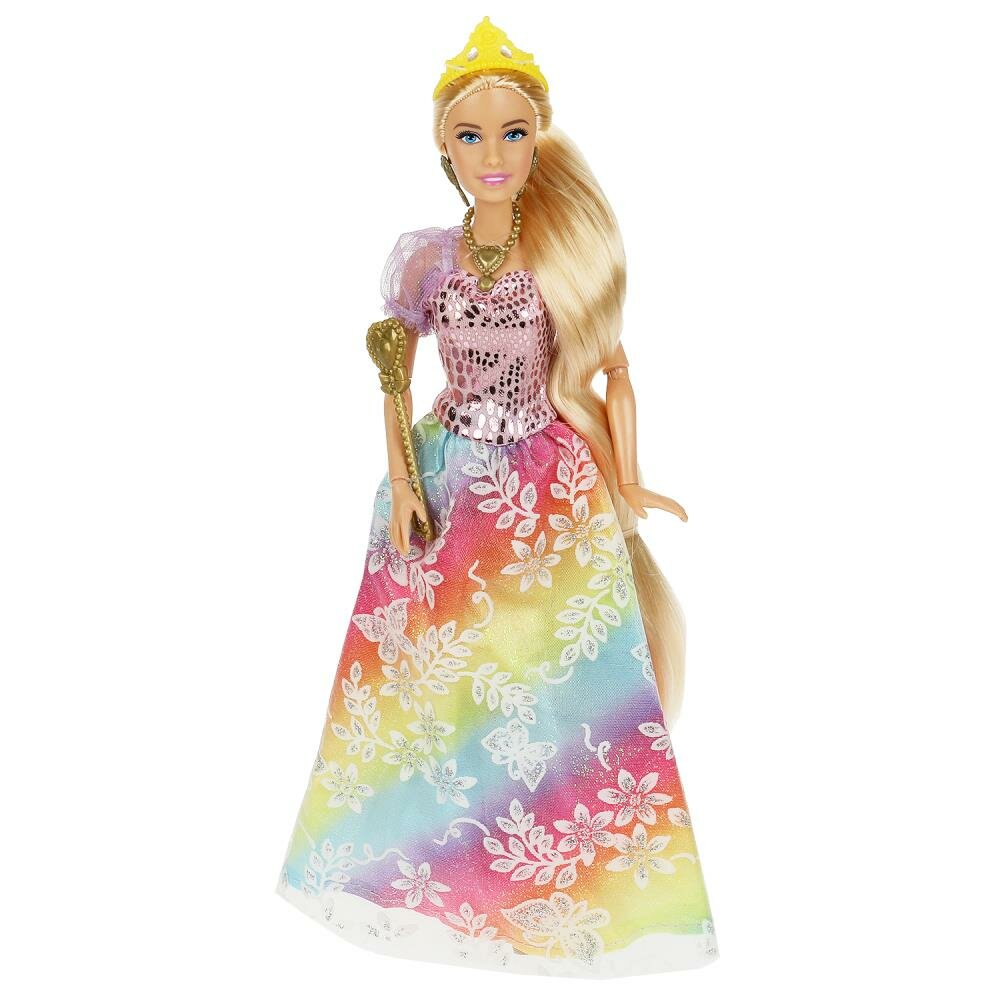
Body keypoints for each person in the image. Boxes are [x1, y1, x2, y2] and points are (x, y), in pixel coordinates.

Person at [275, 15, 719, 978]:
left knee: (551, 686)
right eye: (471, 135)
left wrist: (627, 477)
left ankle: (561, 878)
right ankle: (434, 869)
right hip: (448, 484)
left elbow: (615, 371)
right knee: (436, 686)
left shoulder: (556, 254)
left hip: (545, 489)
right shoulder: (426, 260)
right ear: (444, 146)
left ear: (538, 138)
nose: (493, 154)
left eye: (512, 133)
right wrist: (404, 482)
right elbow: (392, 376)